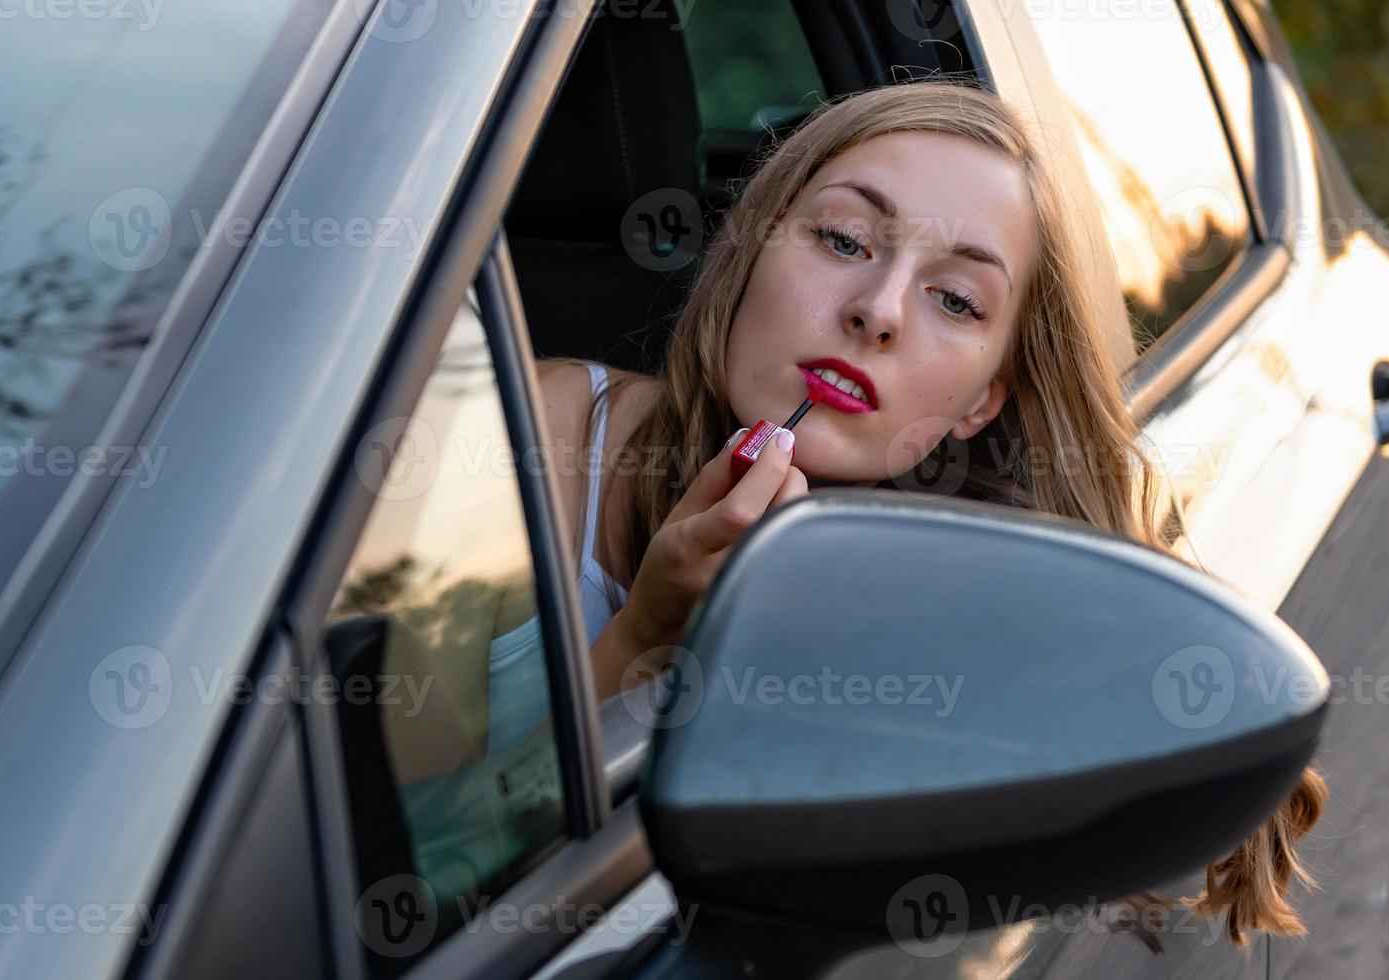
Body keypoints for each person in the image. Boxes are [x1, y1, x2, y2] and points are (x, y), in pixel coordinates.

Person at [530, 77, 1327, 948]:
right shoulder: (529, 437)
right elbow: (422, 843)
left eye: (954, 300)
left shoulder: (952, 630)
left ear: (981, 401)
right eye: (843, 239)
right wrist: (651, 624)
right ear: (747, 247)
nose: (876, 310)